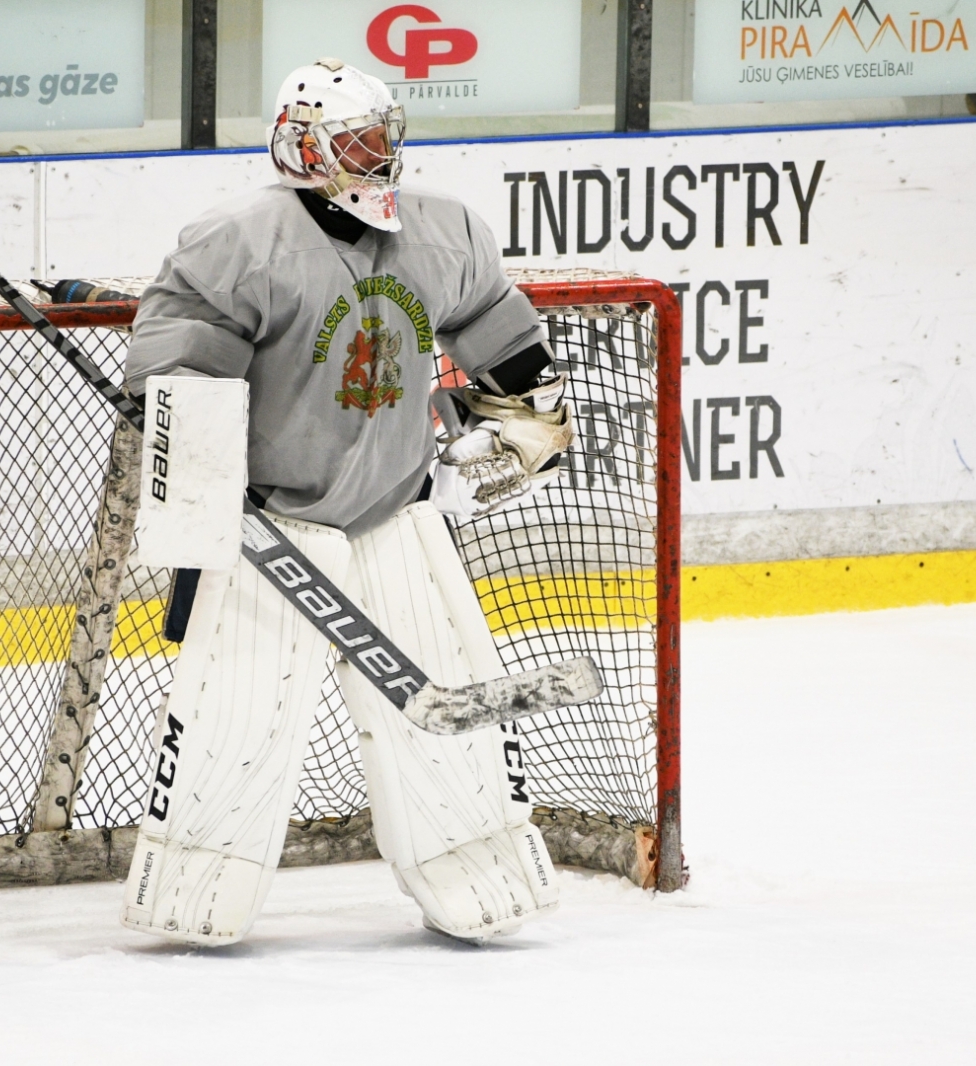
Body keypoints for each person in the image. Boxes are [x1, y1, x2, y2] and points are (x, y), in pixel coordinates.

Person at [117, 58, 575, 946]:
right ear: (300, 146)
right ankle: (193, 891)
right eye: (354, 141)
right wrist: (197, 474)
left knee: (456, 712)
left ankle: (480, 872)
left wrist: (515, 434)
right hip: (272, 532)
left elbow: (514, 359)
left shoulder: (443, 232)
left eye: (383, 137)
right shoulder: (237, 241)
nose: (377, 156)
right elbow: (179, 388)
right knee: (232, 721)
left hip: (397, 520)